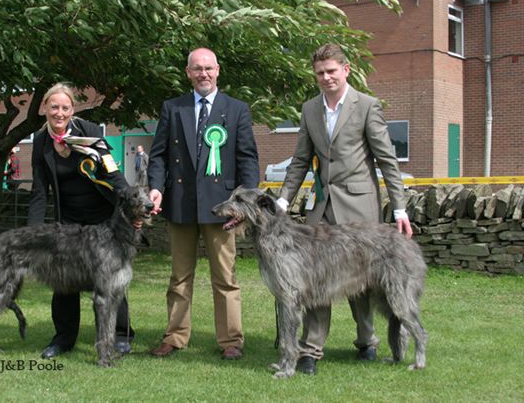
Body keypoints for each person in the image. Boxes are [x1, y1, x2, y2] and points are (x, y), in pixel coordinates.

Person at [275, 43, 413, 375]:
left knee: (362, 283)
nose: (326, 78)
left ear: (345, 70)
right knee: (314, 279)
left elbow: (387, 161)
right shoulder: (309, 109)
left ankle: (366, 342)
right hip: (322, 210)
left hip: (359, 208)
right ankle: (311, 350)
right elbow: (299, 162)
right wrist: (282, 201)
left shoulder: (366, 106)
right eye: (320, 73)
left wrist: (399, 209)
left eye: (331, 71)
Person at [147, 47, 259, 360]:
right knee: (179, 277)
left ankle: (231, 341)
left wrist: (247, 203)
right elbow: (158, 155)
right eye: (197, 69)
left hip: (223, 207)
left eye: (208, 68)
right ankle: (175, 336)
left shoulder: (237, 109)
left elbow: (247, 158)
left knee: (225, 277)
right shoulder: (173, 107)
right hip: (180, 203)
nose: (203, 74)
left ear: (218, 70)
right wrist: (155, 187)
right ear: (188, 73)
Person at [27, 82, 135, 359]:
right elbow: (39, 191)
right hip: (68, 221)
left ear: (72, 109)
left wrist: (130, 200)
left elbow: (111, 169)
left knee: (111, 279)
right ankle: (63, 338)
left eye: (65, 107)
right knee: (64, 281)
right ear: (45, 109)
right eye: (54, 107)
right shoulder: (40, 141)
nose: (59, 113)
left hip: (102, 216)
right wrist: (33, 233)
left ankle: (120, 335)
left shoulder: (88, 132)